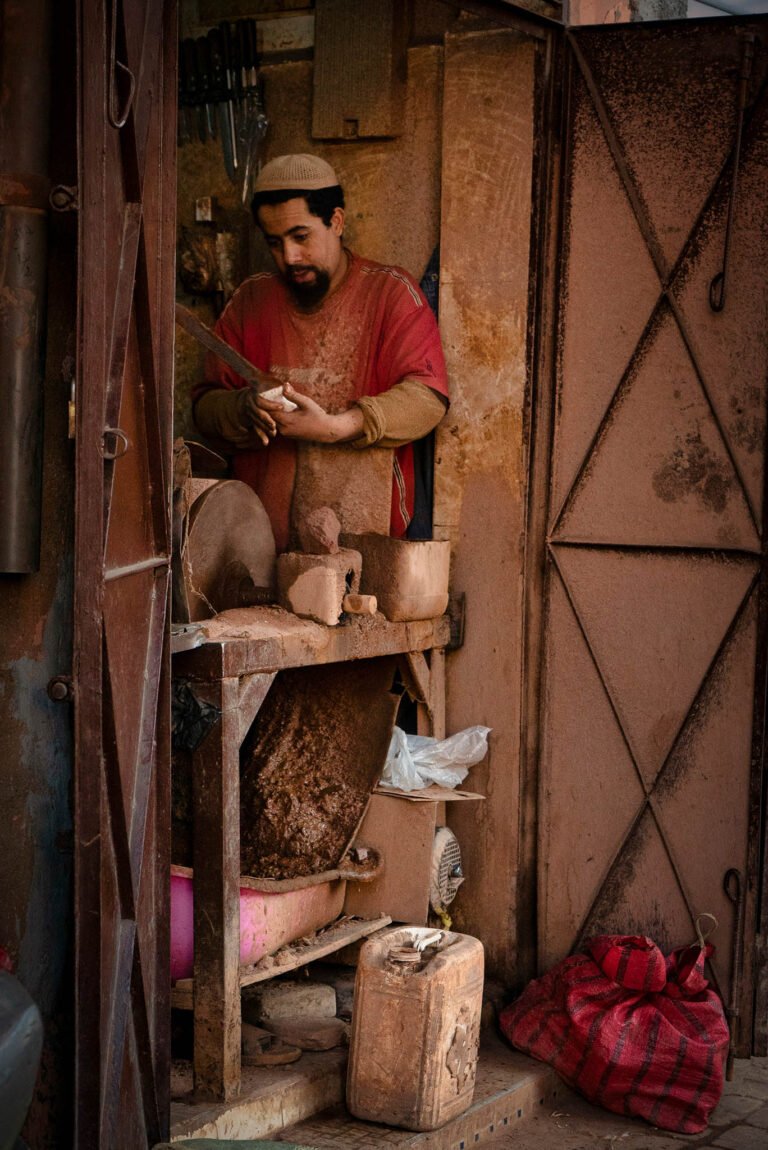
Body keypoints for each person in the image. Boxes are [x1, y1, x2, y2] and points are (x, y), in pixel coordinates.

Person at [193, 153, 449, 552]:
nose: (289, 257)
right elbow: (204, 409)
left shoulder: (391, 294)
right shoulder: (250, 301)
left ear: (337, 221)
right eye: (274, 243)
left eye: (301, 237)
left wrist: (338, 426)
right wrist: (242, 408)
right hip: (258, 544)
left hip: (369, 541)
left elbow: (428, 400)